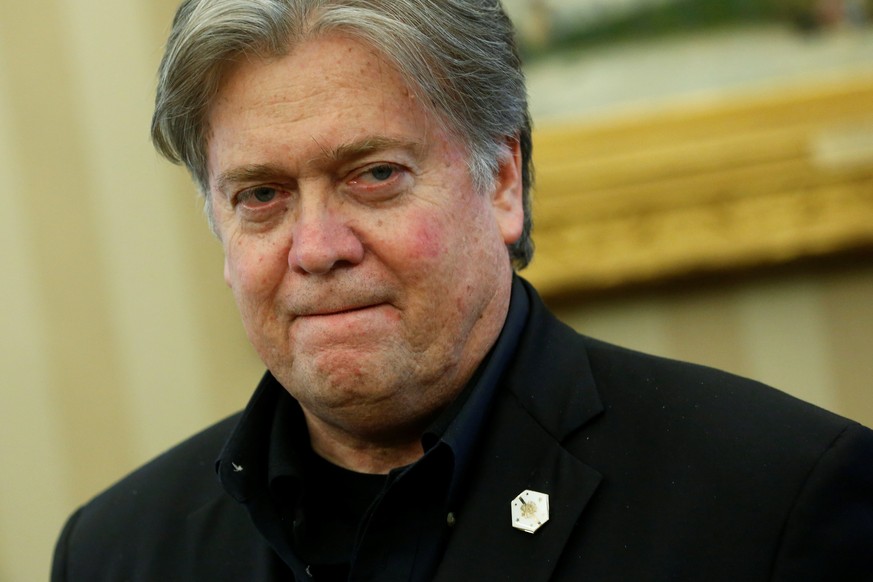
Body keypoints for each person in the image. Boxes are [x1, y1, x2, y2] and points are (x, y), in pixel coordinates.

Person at [52, 1, 873, 580]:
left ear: (502, 182)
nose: (317, 249)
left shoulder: (773, 503)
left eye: (373, 175)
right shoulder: (118, 550)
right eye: (259, 196)